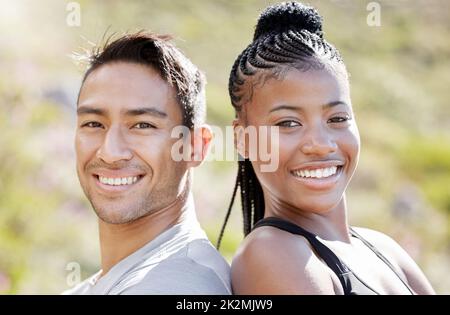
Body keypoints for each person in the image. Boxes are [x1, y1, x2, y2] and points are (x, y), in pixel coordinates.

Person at [218, 2, 435, 295]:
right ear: (243, 139)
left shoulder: (385, 250)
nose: (320, 144)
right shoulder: (272, 254)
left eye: (337, 118)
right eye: (288, 123)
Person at [64, 32, 231, 294]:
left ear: (196, 146)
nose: (110, 152)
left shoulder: (181, 287)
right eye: (94, 124)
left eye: (143, 125)